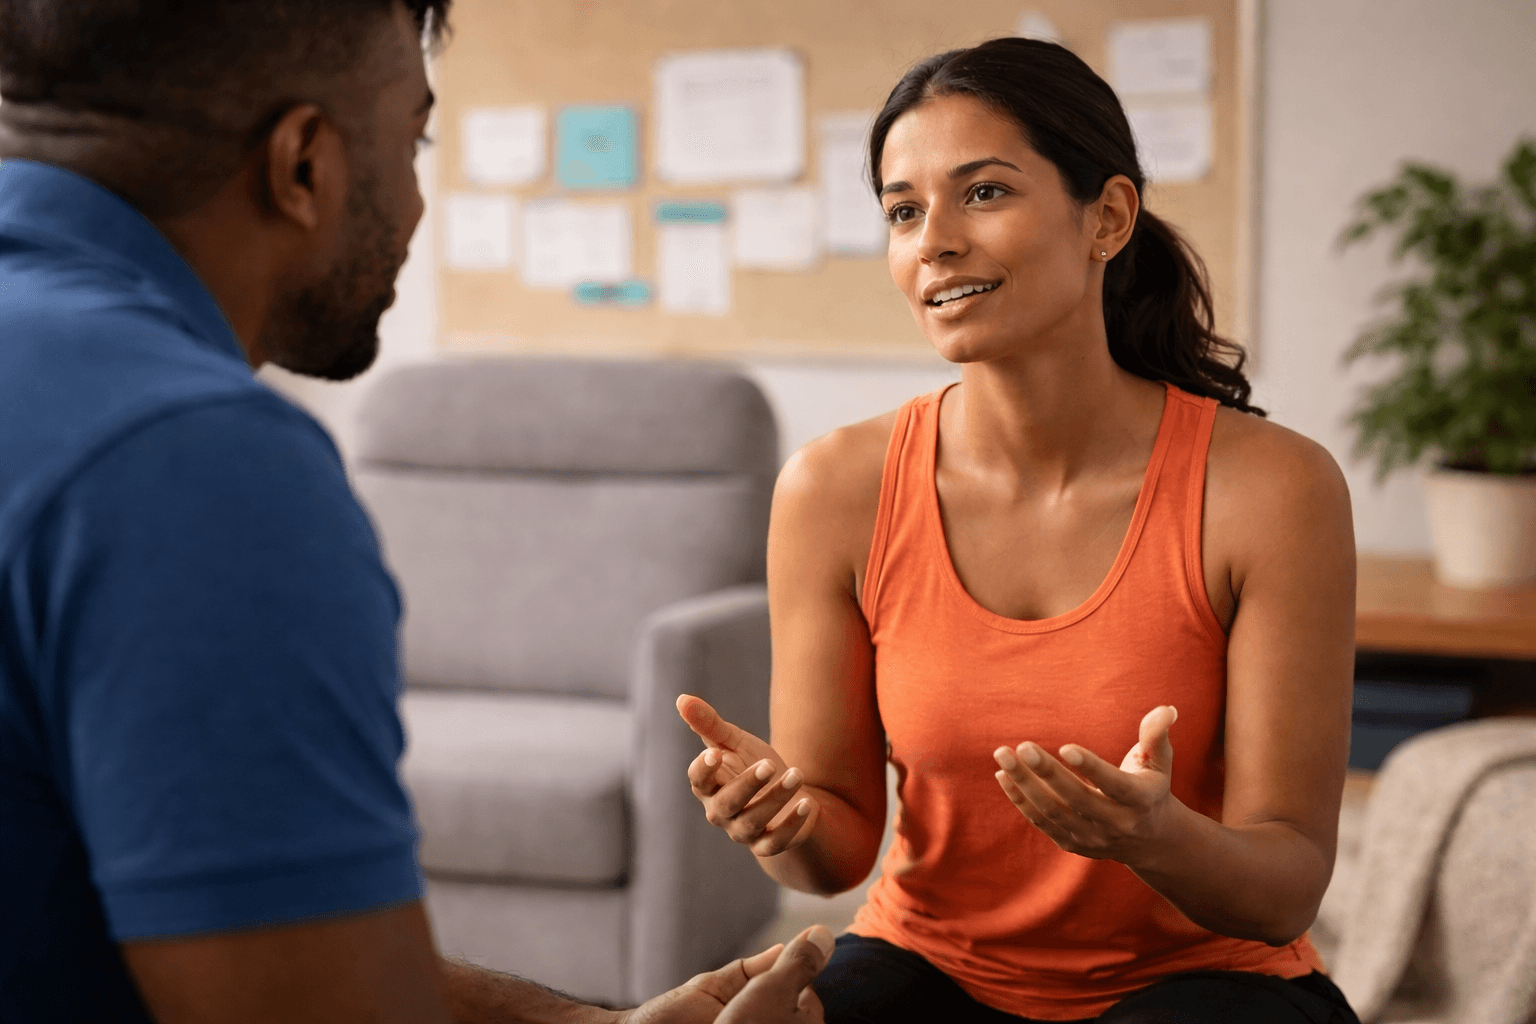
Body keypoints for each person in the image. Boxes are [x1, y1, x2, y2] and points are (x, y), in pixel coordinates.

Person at [0, 2, 831, 1021]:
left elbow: (253, 947)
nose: (420, 202)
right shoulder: (194, 460)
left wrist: (587, 1023)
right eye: (414, 138)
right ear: (304, 164)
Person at [679, 37, 1361, 1024]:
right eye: (903, 210)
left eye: (983, 193)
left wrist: (1156, 836)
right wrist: (777, 818)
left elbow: (1287, 884)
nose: (934, 240)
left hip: (1207, 983)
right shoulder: (833, 489)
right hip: (932, 966)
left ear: (1109, 217)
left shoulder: (1273, 488)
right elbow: (831, 853)